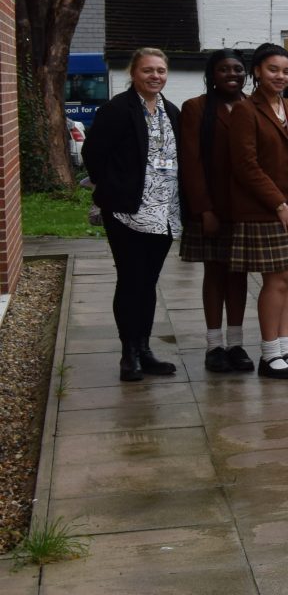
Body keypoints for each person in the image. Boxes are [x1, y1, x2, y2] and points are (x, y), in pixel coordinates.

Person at [224, 43, 288, 380]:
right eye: (273, 70)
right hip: (267, 207)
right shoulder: (245, 110)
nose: (280, 76)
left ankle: (285, 348)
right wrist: (277, 203)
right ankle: (269, 354)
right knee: (276, 279)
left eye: (285, 71)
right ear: (256, 72)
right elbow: (245, 165)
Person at [84, 48, 183, 381]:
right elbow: (93, 154)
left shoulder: (170, 111)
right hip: (127, 211)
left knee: (149, 282)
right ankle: (129, 354)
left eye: (160, 70)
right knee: (130, 279)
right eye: (147, 70)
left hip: (164, 211)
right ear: (133, 73)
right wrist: (113, 188)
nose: (155, 76)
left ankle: (144, 348)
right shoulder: (117, 110)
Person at [178, 48, 253, 373]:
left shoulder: (253, 106)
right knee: (215, 274)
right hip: (212, 206)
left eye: (238, 69)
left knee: (239, 275)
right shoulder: (195, 108)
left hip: (246, 207)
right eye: (224, 69)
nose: (232, 75)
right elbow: (190, 163)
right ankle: (214, 345)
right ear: (212, 74)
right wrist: (203, 208)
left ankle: (236, 343)